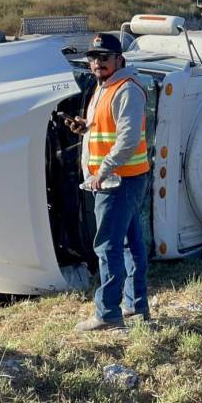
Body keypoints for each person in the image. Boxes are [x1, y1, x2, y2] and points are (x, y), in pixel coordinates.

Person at [66, 32, 152, 332]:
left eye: (104, 57)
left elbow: (127, 141)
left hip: (117, 180)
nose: (97, 63)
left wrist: (103, 171)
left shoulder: (126, 90)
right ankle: (135, 306)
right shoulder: (106, 87)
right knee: (129, 244)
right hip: (121, 178)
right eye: (93, 57)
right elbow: (108, 129)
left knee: (108, 247)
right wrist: (85, 128)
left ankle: (107, 313)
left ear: (119, 59)